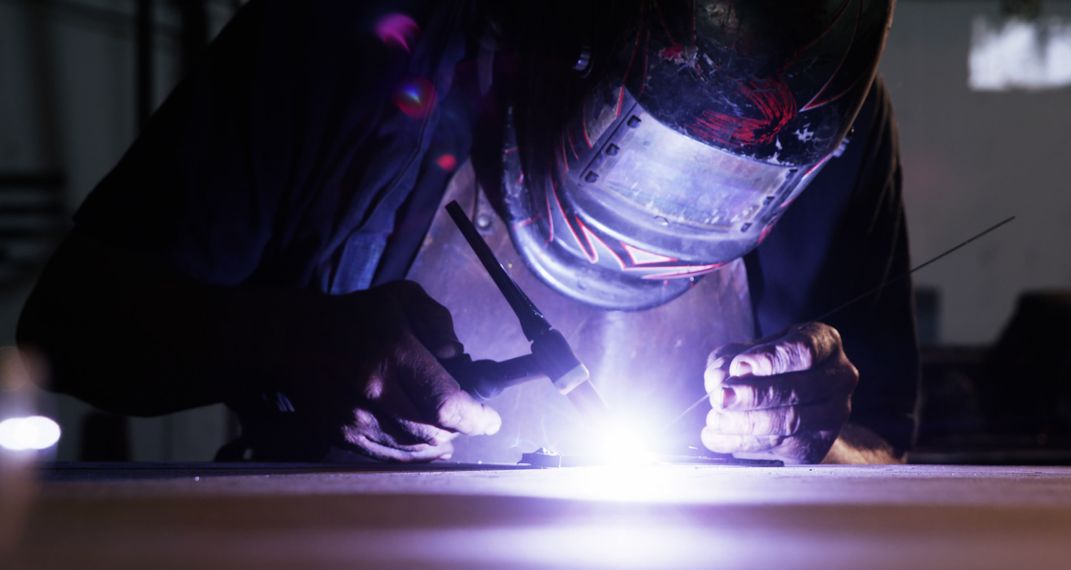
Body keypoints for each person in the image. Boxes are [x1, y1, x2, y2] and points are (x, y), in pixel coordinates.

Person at [16, 0, 917, 465]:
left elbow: (878, 447)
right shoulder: (350, 43)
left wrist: (817, 436)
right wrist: (287, 343)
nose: (656, 245)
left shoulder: (825, 120)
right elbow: (70, 325)